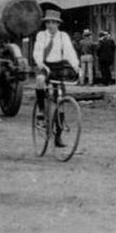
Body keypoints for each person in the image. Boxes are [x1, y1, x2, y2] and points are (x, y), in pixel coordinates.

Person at [33, 9, 80, 145]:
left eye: (53, 22)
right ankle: (41, 111)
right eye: (48, 22)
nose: (50, 25)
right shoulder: (41, 35)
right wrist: (41, 64)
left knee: (60, 102)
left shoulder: (63, 36)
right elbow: (38, 52)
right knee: (40, 80)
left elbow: (70, 52)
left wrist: (77, 67)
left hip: (58, 68)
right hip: (44, 65)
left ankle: (58, 136)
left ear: (58, 24)